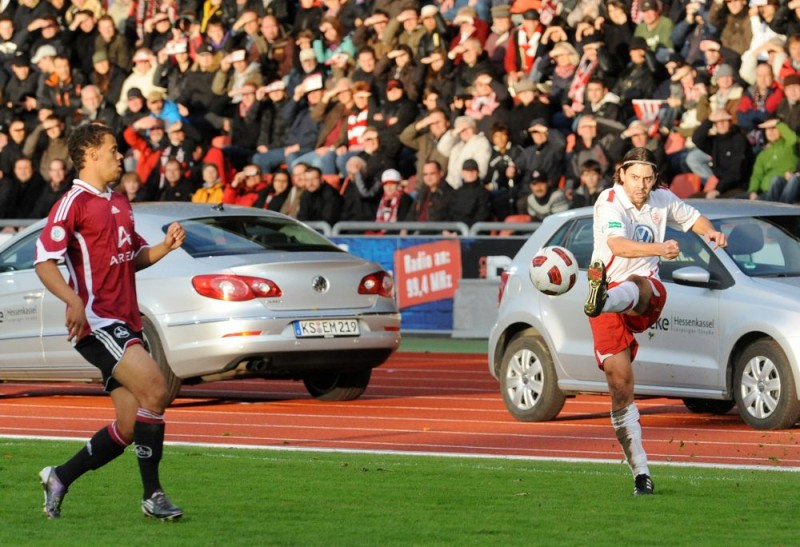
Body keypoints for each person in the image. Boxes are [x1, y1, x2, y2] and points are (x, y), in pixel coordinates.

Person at [34, 123, 186, 520]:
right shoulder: (72, 203)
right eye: (114, 149)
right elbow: (44, 261)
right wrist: (72, 299)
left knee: (129, 425)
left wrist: (165, 247)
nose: (121, 156)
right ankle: (153, 496)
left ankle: (59, 477)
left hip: (126, 321)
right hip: (97, 321)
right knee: (156, 389)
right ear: (91, 154)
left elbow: (132, 258)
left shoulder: (119, 201)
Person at [583, 147, 728, 496]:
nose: (641, 185)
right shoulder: (609, 201)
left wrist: (710, 232)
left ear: (654, 178)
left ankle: (603, 298)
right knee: (620, 385)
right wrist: (660, 249)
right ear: (621, 174)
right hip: (608, 297)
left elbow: (693, 218)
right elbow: (618, 245)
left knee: (639, 284)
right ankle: (641, 473)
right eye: (635, 177)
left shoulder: (661, 198)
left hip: (642, 291)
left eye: (647, 179)